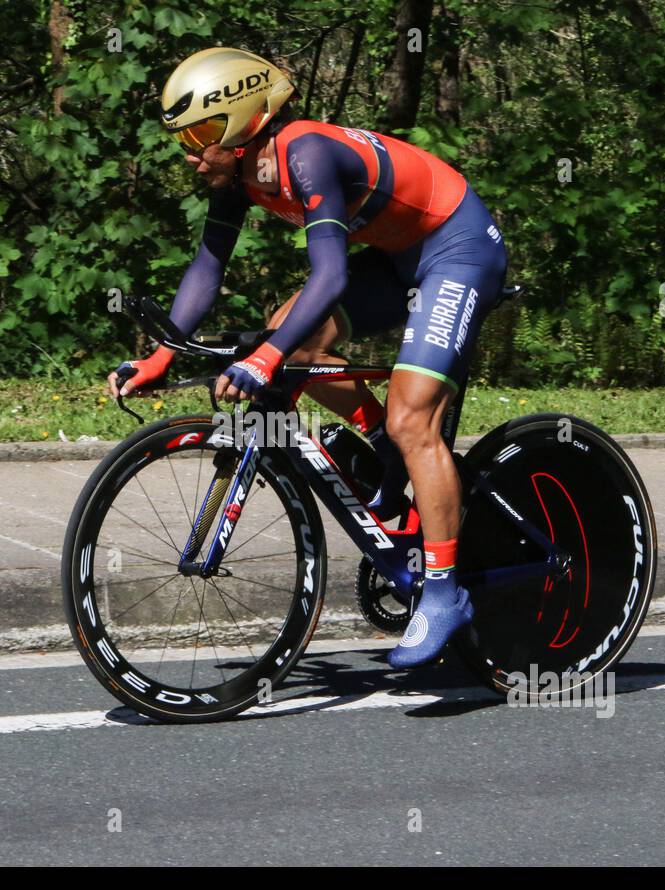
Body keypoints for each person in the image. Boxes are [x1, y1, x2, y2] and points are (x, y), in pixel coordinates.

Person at [108, 47, 508, 668]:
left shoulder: (306, 152)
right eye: (181, 136)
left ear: (242, 124)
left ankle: (445, 591)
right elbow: (207, 270)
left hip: (456, 248)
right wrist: (160, 358)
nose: (190, 150)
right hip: (400, 254)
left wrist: (264, 359)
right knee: (288, 338)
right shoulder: (236, 174)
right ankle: (384, 449)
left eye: (199, 132)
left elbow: (328, 279)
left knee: (411, 418)